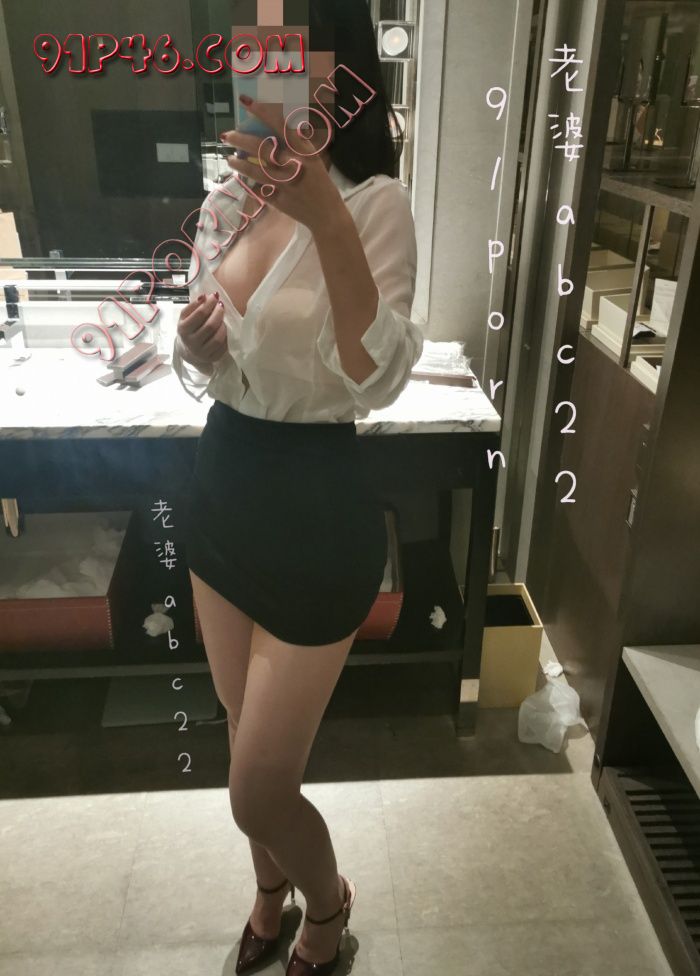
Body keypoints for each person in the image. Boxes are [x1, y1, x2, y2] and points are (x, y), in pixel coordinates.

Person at [172, 2, 424, 973]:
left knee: (258, 786)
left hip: (317, 504)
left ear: (338, 70)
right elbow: (211, 360)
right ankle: (268, 893)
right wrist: (198, 347)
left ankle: (328, 903)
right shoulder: (227, 201)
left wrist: (325, 217)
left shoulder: (375, 204)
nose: (260, 68)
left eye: (284, 48)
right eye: (254, 48)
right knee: (243, 736)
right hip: (225, 483)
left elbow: (378, 377)